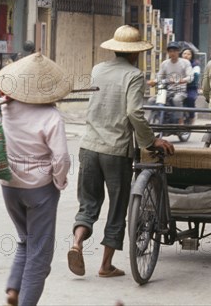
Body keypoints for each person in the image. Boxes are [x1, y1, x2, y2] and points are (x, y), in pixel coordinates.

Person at [69, 25, 174, 279]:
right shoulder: (135, 75)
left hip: (90, 146)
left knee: (89, 203)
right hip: (116, 152)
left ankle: (77, 243)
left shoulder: (98, 69)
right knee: (117, 208)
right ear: (135, 53)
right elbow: (134, 113)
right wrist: (151, 142)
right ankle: (105, 266)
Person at [0, 53, 72, 306]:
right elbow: (61, 159)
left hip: (10, 186)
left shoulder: (6, 109)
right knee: (39, 254)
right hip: (40, 189)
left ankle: (13, 289)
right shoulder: (51, 117)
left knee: (25, 241)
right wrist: (59, 182)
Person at [147, 41, 193, 125]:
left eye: (175, 51)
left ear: (178, 51)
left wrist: (181, 80)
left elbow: (190, 77)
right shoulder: (165, 63)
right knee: (151, 100)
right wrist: (153, 81)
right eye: (170, 51)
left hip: (180, 90)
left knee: (176, 100)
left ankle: (180, 120)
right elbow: (159, 76)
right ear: (168, 52)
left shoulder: (185, 63)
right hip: (167, 90)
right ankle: (158, 117)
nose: (173, 53)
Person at [181, 47, 200, 125]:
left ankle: (192, 116)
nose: (186, 55)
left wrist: (184, 81)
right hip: (177, 87)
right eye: (184, 53)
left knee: (190, 98)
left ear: (192, 56)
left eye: (188, 54)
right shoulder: (177, 63)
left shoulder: (195, 66)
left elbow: (195, 79)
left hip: (190, 88)